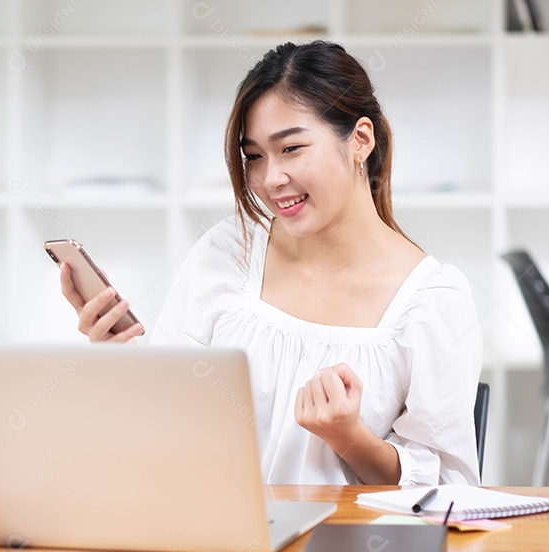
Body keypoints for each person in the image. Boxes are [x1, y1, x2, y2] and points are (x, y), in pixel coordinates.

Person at [59, 41, 482, 486]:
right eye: (254, 156)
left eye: (292, 149)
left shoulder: (432, 301)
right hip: (211, 535)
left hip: (343, 549)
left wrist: (349, 437)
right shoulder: (228, 253)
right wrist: (117, 348)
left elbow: (448, 492)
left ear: (360, 140)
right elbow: (168, 419)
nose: (270, 179)